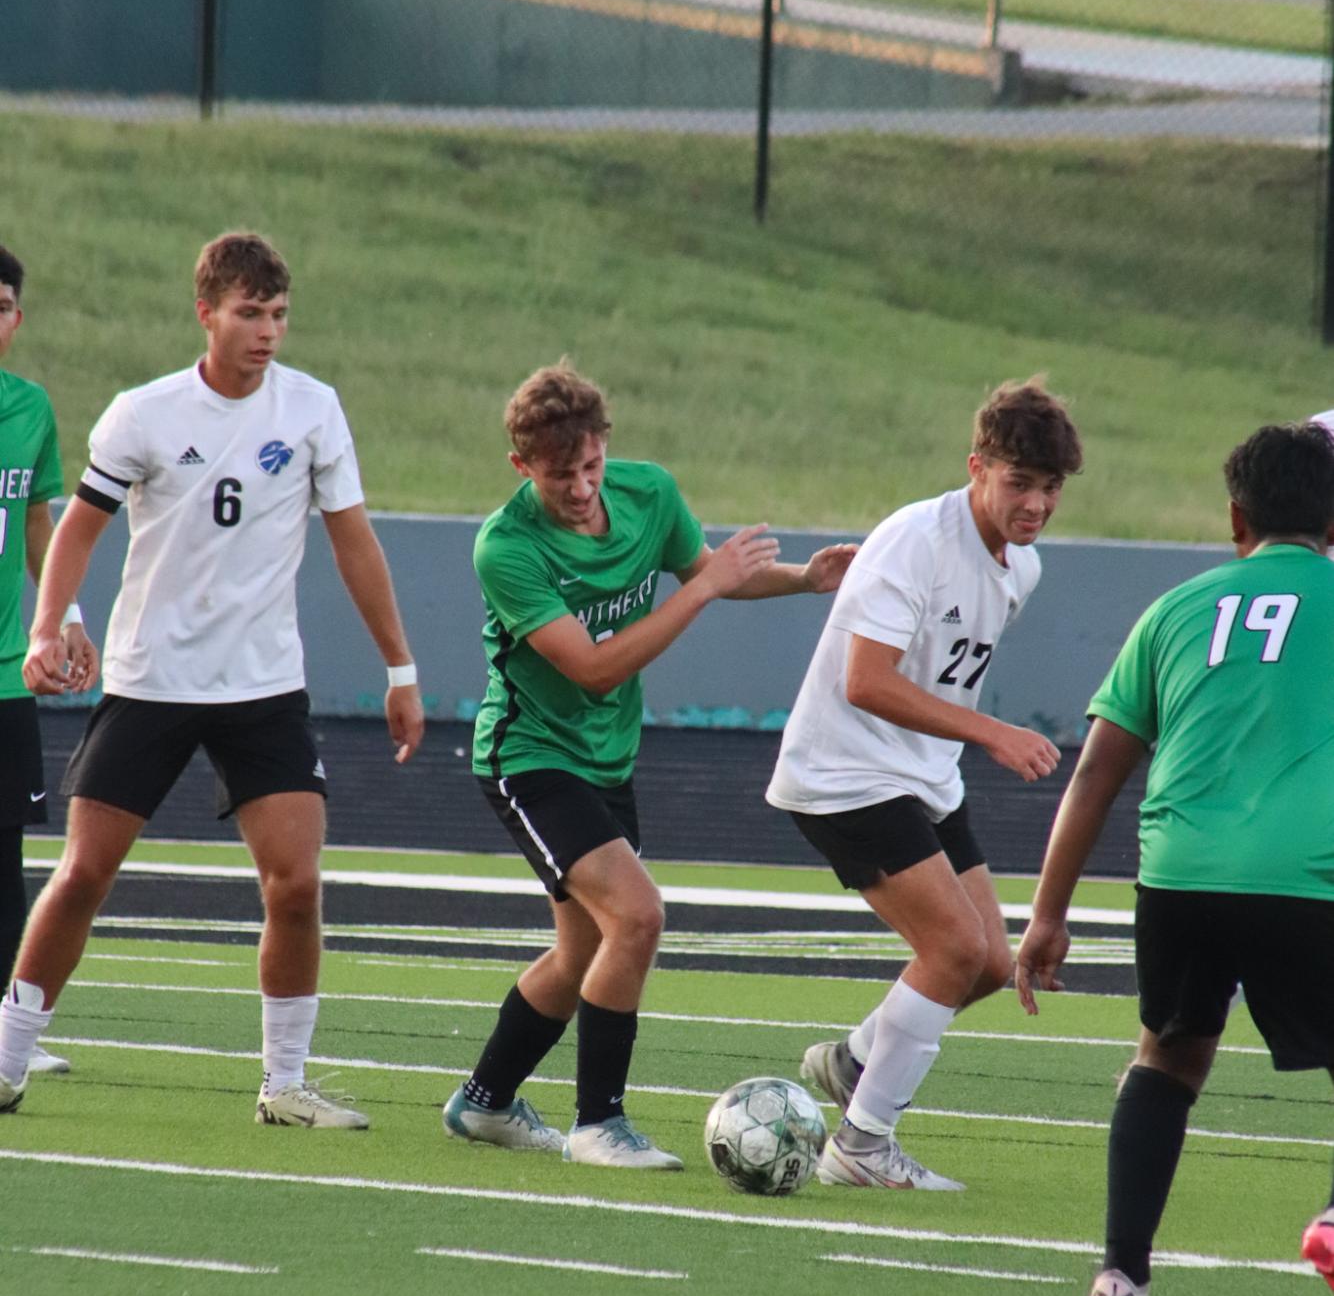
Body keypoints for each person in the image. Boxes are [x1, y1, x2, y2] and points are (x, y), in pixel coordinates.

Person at [0, 232, 424, 1127]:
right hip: (152, 680)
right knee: (82, 874)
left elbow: (354, 541)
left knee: (297, 884)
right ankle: (5, 1060)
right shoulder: (144, 413)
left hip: (263, 689)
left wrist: (402, 667)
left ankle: (284, 1085)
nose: (267, 331)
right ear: (206, 312)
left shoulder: (313, 410)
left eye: (278, 314)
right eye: (249, 313)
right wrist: (49, 625)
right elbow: (76, 530)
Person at [446, 360, 855, 1169]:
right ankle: (600, 1123)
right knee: (637, 916)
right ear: (520, 466)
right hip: (528, 757)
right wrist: (701, 591)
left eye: (592, 466)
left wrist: (803, 580)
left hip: (606, 757)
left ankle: (484, 1101)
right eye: (561, 474)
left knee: (581, 950)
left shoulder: (647, 493)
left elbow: (711, 570)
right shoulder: (506, 546)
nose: (582, 487)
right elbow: (594, 667)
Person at [1016, 421, 1334, 1296]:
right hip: (1306, 876)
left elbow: (1096, 772)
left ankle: (1119, 1280)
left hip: (1180, 874)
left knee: (1169, 1055)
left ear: (1236, 516)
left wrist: (1045, 915)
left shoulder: (1177, 608)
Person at [767, 379, 1083, 1191]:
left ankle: (853, 1060)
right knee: (950, 947)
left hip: (921, 776)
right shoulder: (913, 538)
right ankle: (862, 1145)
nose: (1037, 504)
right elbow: (865, 680)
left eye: (1050, 488)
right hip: (844, 773)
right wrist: (992, 732)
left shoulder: (1026, 567)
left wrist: (962, 742)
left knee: (986, 964)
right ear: (977, 466)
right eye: (1020, 483)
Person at [0, 244, 98, 1082]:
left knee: (5, 856)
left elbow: (40, 524)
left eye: (1, 304)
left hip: (2, 672)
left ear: (16, 320)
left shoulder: (30, 409)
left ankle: (3, 1034)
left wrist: (63, 616)